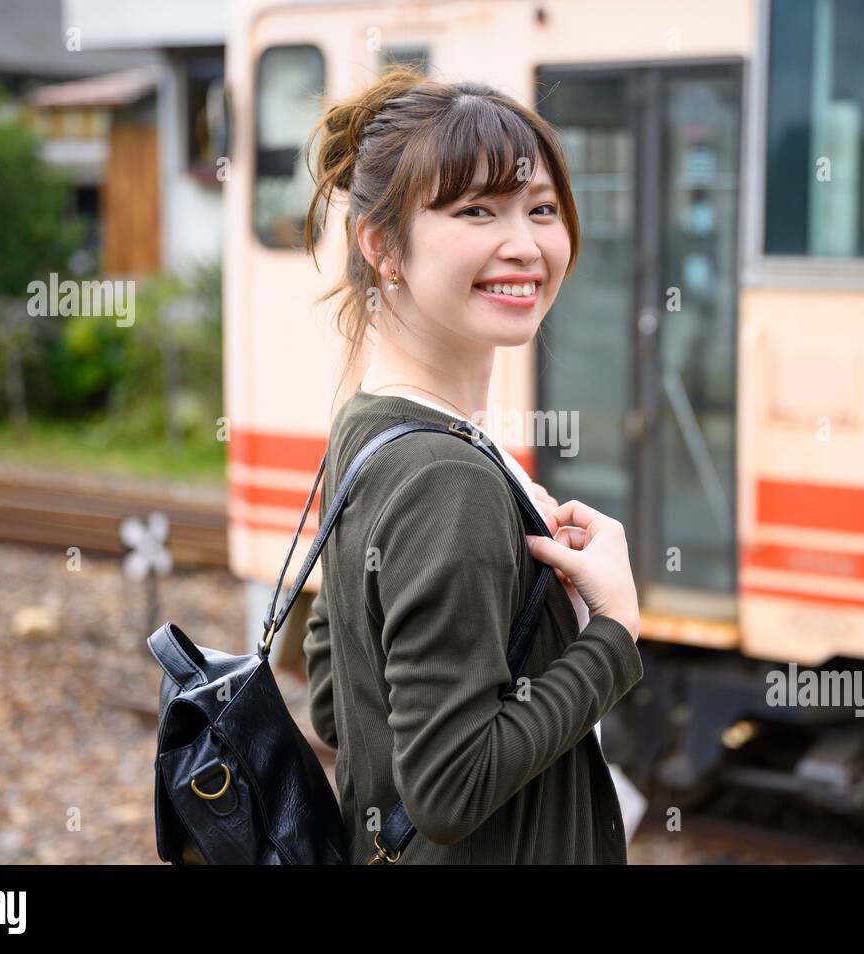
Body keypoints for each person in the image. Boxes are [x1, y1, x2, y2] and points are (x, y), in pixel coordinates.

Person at [300, 63, 644, 864]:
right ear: (383, 245)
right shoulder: (446, 478)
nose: (524, 245)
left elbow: (335, 704)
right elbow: (449, 789)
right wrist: (616, 632)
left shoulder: (365, 431)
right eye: (477, 211)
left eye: (543, 209)